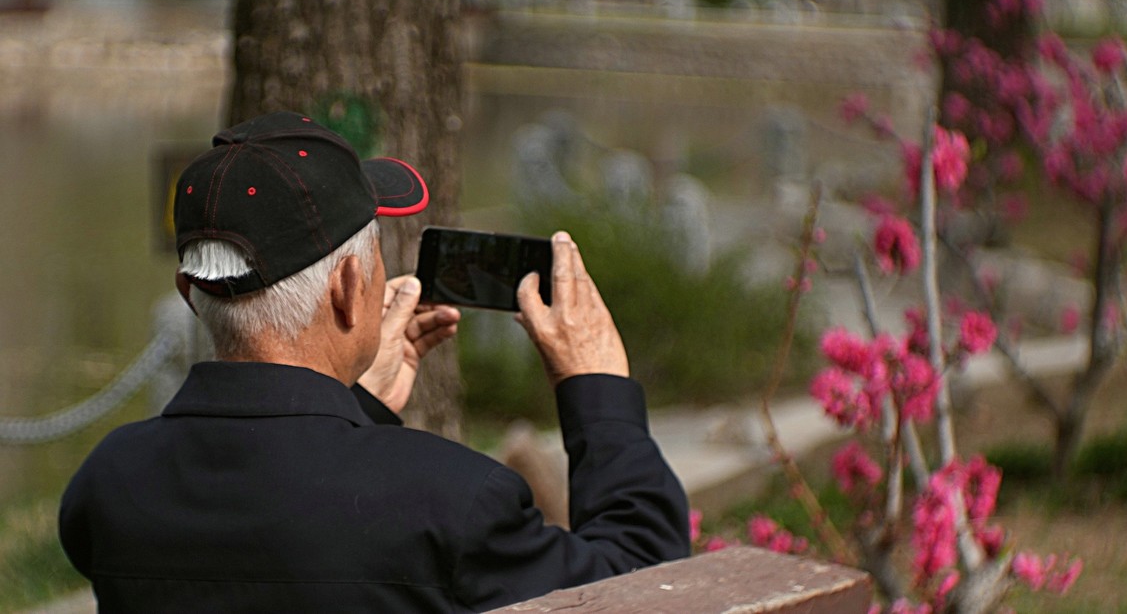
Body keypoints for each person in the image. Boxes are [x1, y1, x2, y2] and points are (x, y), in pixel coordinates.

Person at [58, 111, 690, 612]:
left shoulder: (110, 484)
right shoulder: (451, 501)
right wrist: (599, 391)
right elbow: (648, 589)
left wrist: (354, 409)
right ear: (347, 286)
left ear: (189, 295)